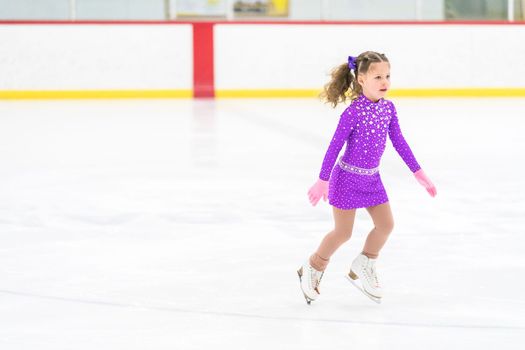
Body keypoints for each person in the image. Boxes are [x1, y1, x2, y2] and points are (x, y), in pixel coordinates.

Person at [297, 51, 437, 304]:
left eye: (387, 76)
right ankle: (313, 267)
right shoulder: (353, 112)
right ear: (361, 79)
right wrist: (323, 179)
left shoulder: (389, 108)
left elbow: (399, 141)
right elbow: (334, 145)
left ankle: (365, 262)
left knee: (386, 225)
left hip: (372, 179)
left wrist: (418, 172)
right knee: (343, 233)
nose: (385, 82)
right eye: (378, 77)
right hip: (346, 178)